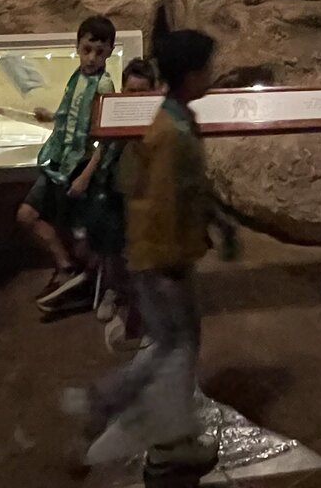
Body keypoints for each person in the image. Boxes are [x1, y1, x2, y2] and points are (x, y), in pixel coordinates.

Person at [67, 28, 220, 476]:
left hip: (160, 254)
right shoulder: (171, 131)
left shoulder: (173, 119)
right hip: (163, 258)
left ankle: (103, 401)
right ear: (191, 75)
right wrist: (172, 259)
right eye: (206, 67)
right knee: (178, 348)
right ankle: (169, 446)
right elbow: (162, 202)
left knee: (173, 343)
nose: (211, 74)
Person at [21, 14, 118, 312]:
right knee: (27, 215)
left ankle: (99, 287)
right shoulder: (76, 77)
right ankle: (65, 268)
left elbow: (107, 137)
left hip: (80, 167)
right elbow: (74, 114)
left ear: (109, 53)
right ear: (77, 46)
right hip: (59, 161)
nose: (91, 58)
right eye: (86, 49)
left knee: (82, 236)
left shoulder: (104, 86)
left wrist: (86, 176)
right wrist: (51, 116)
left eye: (99, 52)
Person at [84, 57, 158, 352]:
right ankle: (116, 291)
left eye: (142, 92)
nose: (135, 98)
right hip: (115, 194)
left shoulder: (158, 124)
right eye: (130, 91)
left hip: (144, 198)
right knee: (111, 249)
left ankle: (145, 318)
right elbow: (101, 150)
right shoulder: (112, 118)